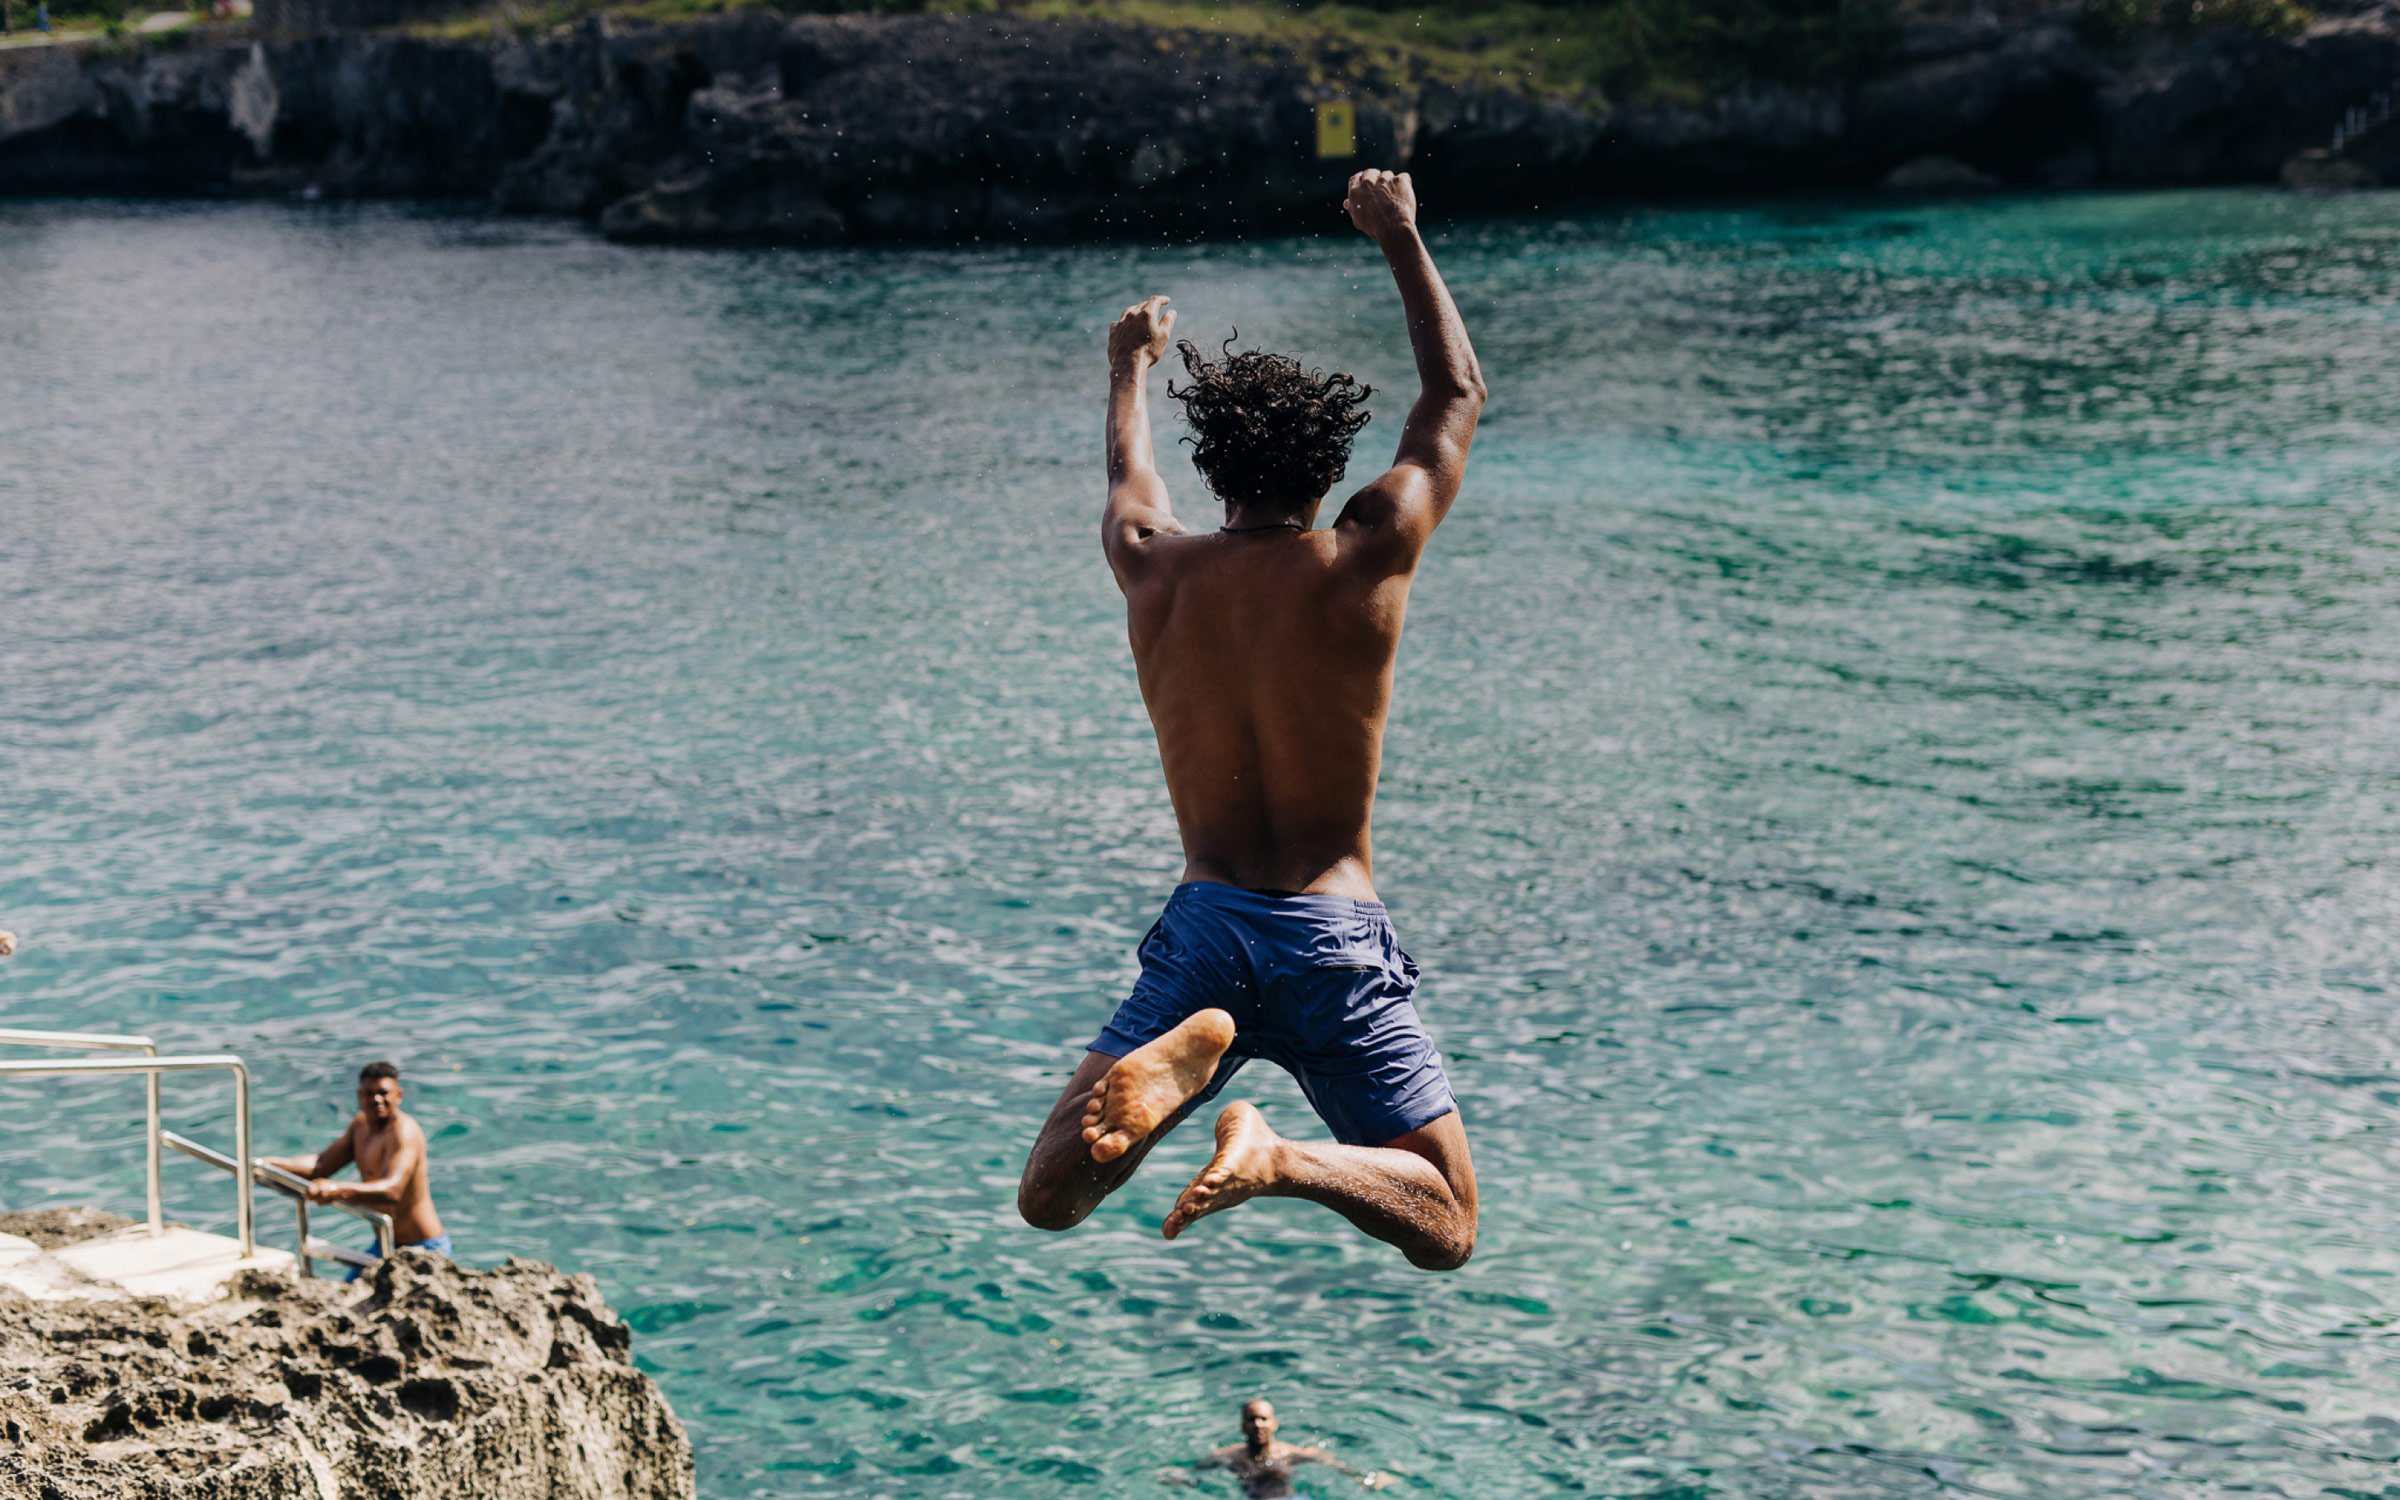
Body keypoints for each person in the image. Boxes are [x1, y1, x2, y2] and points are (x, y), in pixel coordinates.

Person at [1016, 169, 1486, 1269]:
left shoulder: (1153, 571)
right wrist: (1400, 236)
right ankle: (1285, 1159)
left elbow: (1128, 478)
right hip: (1330, 931)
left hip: (1207, 932)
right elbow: (1453, 396)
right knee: (1447, 1223)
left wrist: (1127, 369)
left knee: (1050, 1197)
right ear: (1331, 472)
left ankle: (1192, 1060)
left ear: (1213, 468)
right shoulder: (1364, 554)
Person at [267, 1060, 450, 1277]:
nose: (377, 1100)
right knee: (348, 1290)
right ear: (359, 1096)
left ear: (399, 1095)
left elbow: (393, 1190)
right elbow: (321, 1165)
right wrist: (270, 1164)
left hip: (423, 1247)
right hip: (385, 1243)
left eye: (384, 1093)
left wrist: (337, 1190)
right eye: (369, 1093)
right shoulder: (360, 1126)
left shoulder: (404, 1132)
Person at [1177, 1399, 1392, 1496]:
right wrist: (1177, 1477)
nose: (1258, 1424)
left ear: (1274, 1423)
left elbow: (1330, 1461)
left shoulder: (1290, 1453)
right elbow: (1192, 1473)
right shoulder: (1227, 1456)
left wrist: (1366, 1478)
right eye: (1252, 1419)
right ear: (1243, 1425)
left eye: (1263, 1418)